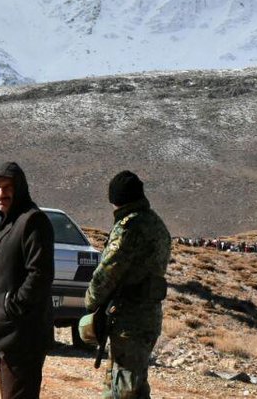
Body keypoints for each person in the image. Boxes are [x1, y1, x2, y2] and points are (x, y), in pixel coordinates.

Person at [85, 171, 172, 399]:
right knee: (131, 382)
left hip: (128, 319)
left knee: (124, 387)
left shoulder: (128, 228)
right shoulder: (156, 223)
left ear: (116, 199)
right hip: (149, 315)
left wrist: (90, 301)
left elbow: (107, 272)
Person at [0, 162, 54, 399]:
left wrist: (14, 306)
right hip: (7, 333)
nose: (1, 194)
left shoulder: (32, 220)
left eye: (7, 187)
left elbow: (40, 274)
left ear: (19, 188)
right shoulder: (11, 221)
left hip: (22, 334)